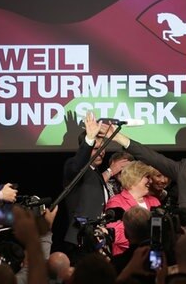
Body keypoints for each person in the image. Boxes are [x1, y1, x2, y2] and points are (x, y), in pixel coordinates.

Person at [62, 112, 111, 262]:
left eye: (103, 148)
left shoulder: (95, 172)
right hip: (79, 240)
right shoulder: (73, 167)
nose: (101, 153)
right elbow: (78, 165)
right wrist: (89, 139)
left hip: (95, 240)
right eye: (96, 149)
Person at [104, 161, 160, 256]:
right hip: (127, 258)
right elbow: (116, 234)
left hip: (154, 255)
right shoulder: (116, 202)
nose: (150, 181)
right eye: (147, 177)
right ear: (134, 178)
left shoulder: (154, 201)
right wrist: (146, 240)